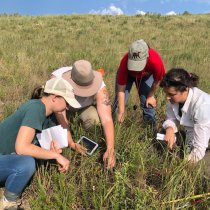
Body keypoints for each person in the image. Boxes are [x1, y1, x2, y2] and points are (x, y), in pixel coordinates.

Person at [0, 77, 81, 209]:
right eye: (67, 103)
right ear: (54, 97)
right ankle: (9, 201)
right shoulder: (36, 109)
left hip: (5, 158)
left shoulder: (45, 112)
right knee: (26, 163)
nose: (68, 107)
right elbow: (22, 148)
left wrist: (50, 152)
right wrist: (56, 156)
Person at [51, 60, 115, 169]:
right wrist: (71, 143)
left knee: (94, 121)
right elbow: (59, 113)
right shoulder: (57, 81)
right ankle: (70, 131)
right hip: (63, 109)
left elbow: (107, 119)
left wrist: (110, 149)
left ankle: (82, 131)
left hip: (84, 108)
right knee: (51, 125)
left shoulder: (101, 88)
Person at [160, 68, 210, 163]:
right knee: (163, 134)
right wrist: (170, 129)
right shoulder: (174, 99)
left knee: (199, 166)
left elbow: (200, 145)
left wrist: (184, 166)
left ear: (185, 89)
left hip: (205, 137)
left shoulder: (202, 105)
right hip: (192, 132)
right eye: (166, 93)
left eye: (171, 94)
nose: (167, 97)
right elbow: (171, 118)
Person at [112, 39, 165, 125]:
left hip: (145, 78)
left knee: (148, 103)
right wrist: (121, 112)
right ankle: (114, 127)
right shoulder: (124, 62)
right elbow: (121, 91)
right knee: (118, 106)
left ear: (147, 58)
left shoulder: (155, 61)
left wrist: (150, 95)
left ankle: (150, 130)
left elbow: (157, 80)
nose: (135, 70)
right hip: (128, 77)